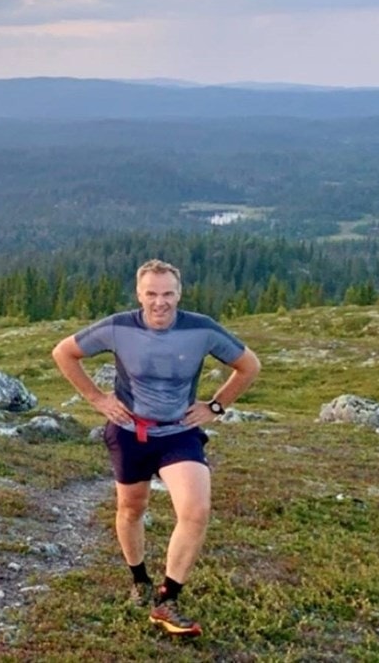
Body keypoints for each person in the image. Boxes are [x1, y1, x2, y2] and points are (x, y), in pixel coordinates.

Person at [51, 259, 261, 637]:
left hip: (179, 433)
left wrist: (215, 406)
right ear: (139, 294)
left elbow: (249, 366)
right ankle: (139, 580)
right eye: (151, 293)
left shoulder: (202, 329)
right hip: (129, 433)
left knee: (196, 510)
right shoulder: (118, 326)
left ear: (179, 294)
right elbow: (63, 353)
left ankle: (168, 600)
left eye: (167, 294)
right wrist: (97, 399)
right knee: (132, 508)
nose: (159, 302)